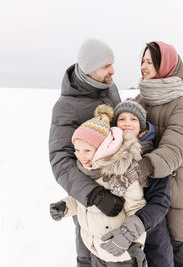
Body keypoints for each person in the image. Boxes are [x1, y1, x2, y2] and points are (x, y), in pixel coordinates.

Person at [103, 41, 183, 267]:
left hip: (168, 185)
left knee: (171, 244)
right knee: (146, 243)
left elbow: (174, 151)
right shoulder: (142, 98)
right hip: (138, 187)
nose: (143, 66)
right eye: (142, 61)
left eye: (149, 62)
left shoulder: (180, 104)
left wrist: (138, 169)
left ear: (164, 65)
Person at [49, 38, 124, 267]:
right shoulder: (66, 106)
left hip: (121, 187)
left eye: (113, 63)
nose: (113, 70)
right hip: (89, 201)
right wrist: (94, 196)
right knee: (88, 253)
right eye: (106, 66)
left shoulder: (110, 88)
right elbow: (60, 159)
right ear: (91, 69)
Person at [50, 104, 147, 267]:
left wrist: (135, 244)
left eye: (87, 150)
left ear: (102, 148)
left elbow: (136, 209)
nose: (81, 156)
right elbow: (82, 201)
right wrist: (65, 206)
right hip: (95, 249)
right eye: (77, 150)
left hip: (120, 253)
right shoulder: (86, 168)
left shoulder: (122, 171)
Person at [100, 99, 174, 267]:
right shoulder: (106, 153)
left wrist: (136, 225)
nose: (127, 123)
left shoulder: (153, 155)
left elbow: (160, 200)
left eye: (133, 119)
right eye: (122, 119)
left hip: (152, 226)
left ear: (142, 126)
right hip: (117, 232)